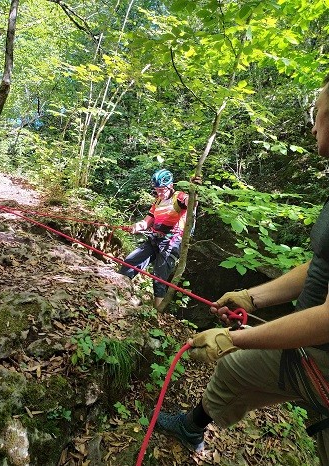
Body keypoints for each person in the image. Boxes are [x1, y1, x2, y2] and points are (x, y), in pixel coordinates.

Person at [154, 74, 329, 465]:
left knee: (235, 360)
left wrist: (234, 338)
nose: (314, 124)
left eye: (318, 114)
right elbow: (319, 265)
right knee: (235, 371)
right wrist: (252, 297)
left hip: (322, 356)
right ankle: (191, 427)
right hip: (313, 351)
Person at [119, 169, 190, 309]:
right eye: (157, 189)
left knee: (159, 277)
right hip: (154, 239)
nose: (159, 192)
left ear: (170, 186)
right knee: (130, 261)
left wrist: (194, 189)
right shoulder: (157, 201)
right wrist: (136, 226)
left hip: (171, 242)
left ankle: (157, 313)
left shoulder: (180, 197)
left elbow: (192, 202)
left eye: (162, 189)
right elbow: (147, 222)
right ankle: (121, 293)